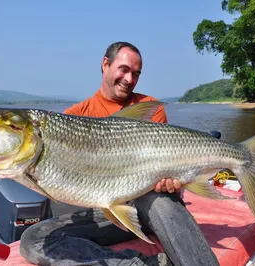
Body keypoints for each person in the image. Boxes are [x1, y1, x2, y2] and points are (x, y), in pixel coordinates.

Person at [20, 42, 219, 266]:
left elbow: (169, 171)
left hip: (152, 204)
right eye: (123, 69)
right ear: (105, 64)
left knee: (160, 199)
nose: (129, 79)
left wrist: (174, 183)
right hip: (109, 214)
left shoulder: (151, 108)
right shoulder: (73, 116)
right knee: (33, 239)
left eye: (136, 74)